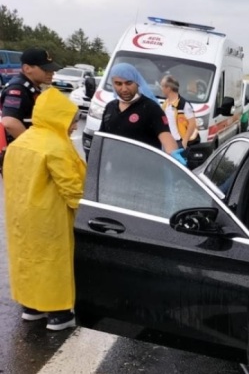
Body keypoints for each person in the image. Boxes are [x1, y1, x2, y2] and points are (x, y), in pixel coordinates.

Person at [3, 88, 85, 330]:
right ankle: (59, 314)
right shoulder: (56, 146)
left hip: (20, 214)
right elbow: (72, 188)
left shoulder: (22, 141)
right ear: (58, 117)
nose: (73, 127)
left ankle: (31, 306)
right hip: (50, 215)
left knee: (26, 258)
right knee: (52, 262)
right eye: (72, 120)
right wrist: (85, 213)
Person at [98, 63, 185, 165]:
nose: (124, 89)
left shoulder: (151, 108)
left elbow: (166, 138)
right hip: (114, 171)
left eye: (129, 83)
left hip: (144, 173)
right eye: (118, 84)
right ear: (113, 84)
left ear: (137, 82)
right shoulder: (110, 108)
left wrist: (174, 155)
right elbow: (101, 140)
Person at [0, 48, 62, 173]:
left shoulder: (31, 87)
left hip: (24, 151)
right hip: (19, 153)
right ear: (27, 68)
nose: (51, 73)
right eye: (45, 69)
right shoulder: (18, 89)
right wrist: (36, 148)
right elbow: (10, 122)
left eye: (52, 69)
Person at [159, 75, 196, 149]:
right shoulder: (165, 104)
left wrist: (185, 141)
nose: (161, 89)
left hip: (178, 143)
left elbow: (192, 123)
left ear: (168, 88)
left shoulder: (184, 105)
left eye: (162, 86)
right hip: (166, 142)